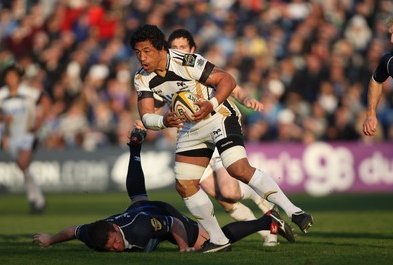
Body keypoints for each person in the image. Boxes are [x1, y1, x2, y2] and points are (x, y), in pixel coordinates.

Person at [130, 24, 313, 253]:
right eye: (138, 52)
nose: (142, 57)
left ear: (160, 49)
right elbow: (146, 115)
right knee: (185, 184)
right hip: (190, 127)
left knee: (237, 168)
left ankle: (294, 211)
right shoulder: (141, 77)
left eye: (146, 51)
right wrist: (164, 122)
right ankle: (218, 239)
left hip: (218, 115)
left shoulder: (186, 61)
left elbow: (227, 80)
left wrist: (211, 104)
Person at [32, 127, 295, 252]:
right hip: (138, 210)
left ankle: (267, 221)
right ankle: (135, 148)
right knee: (137, 197)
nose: (114, 248)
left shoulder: (139, 230)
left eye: (113, 242)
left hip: (161, 215)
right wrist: (50, 239)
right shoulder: (95, 236)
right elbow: (74, 231)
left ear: (115, 230)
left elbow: (169, 222)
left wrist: (183, 247)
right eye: (109, 247)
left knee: (213, 243)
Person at [168, 28, 278, 247]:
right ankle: (267, 231)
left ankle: (260, 199)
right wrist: (147, 120)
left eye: (182, 48)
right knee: (224, 199)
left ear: (192, 50)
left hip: (215, 133)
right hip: (190, 141)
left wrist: (246, 99)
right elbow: (162, 105)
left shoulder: (198, 67)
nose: (178, 52)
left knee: (229, 191)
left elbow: (232, 87)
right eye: (174, 48)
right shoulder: (166, 75)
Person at [0, 64, 50, 214]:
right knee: (23, 168)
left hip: (28, 134)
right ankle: (37, 199)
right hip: (12, 137)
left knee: (22, 162)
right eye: (8, 76)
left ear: (18, 78)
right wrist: (3, 117)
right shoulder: (0, 95)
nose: (11, 79)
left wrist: (39, 120)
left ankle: (38, 200)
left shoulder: (28, 92)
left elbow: (45, 101)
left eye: (13, 76)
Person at [363, 16, 393, 137]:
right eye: (391, 34)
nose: (392, 40)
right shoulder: (389, 61)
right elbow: (376, 81)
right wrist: (371, 115)